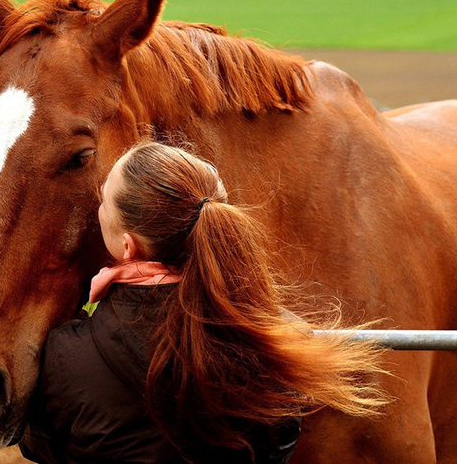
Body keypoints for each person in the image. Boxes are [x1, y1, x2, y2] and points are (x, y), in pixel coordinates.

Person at [20, 142, 388, 464]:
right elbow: (280, 443)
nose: (99, 207)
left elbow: (40, 446)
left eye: (103, 202)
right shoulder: (279, 342)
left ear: (128, 246)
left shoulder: (66, 356)